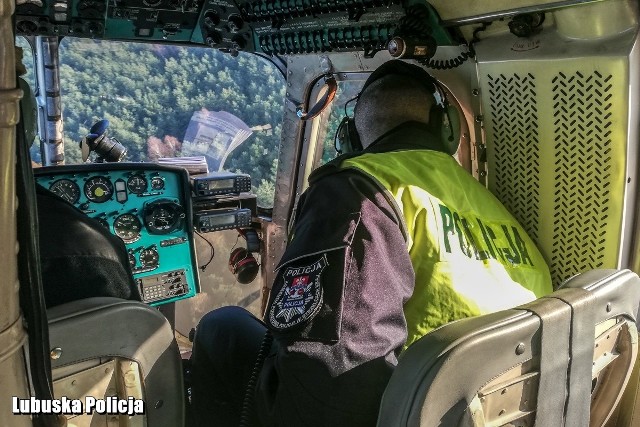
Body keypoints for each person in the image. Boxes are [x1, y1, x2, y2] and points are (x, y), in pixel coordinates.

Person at [189, 60, 553, 427]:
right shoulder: (491, 204)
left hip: (411, 411)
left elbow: (335, 381)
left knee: (222, 327)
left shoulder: (359, 192)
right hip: (487, 412)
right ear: (449, 130)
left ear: (350, 139)